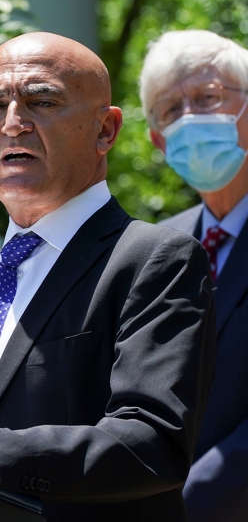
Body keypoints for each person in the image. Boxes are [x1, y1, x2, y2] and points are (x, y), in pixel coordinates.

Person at [0, 32, 216, 522]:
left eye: (42, 102)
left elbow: (152, 441)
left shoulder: (154, 261)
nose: (13, 123)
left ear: (105, 130)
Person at [140, 29, 248, 521]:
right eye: (171, 109)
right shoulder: (154, 249)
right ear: (158, 141)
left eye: (208, 98)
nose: (190, 118)